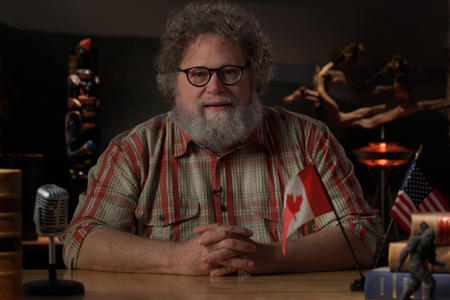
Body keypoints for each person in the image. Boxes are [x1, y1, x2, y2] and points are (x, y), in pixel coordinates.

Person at [62, 1, 381, 276]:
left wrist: (268, 257)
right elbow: (80, 240)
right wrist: (177, 259)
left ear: (254, 77)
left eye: (230, 72)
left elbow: (363, 237)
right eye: (198, 74)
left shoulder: (310, 141)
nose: (215, 87)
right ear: (174, 84)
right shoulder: (133, 151)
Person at [395, 222, 447, 300]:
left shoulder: (430, 246)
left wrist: (441, 264)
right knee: (430, 282)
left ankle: (404, 298)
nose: (430, 239)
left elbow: (431, 259)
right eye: (429, 236)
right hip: (416, 265)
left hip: (419, 265)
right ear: (425, 235)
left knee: (415, 284)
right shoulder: (416, 240)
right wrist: (400, 262)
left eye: (432, 237)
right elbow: (405, 251)